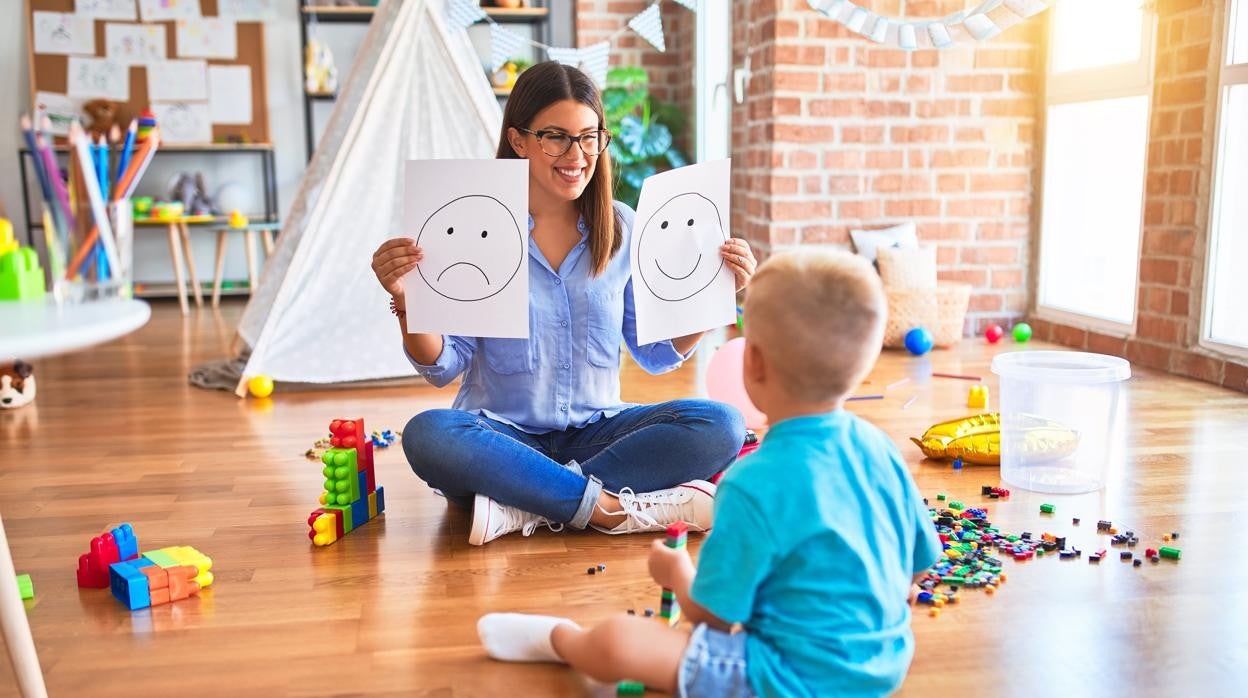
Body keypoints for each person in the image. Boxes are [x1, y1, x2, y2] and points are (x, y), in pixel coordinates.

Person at [476, 250, 942, 697]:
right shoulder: (881, 449)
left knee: (618, 641)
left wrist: (678, 573)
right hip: (886, 665)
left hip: (785, 677)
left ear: (752, 363)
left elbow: (713, 619)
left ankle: (566, 641)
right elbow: (921, 564)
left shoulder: (752, 483)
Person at [370, 62, 755, 546]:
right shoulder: (478, 225)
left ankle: (524, 504)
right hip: (501, 438)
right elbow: (444, 364)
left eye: (590, 137)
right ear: (519, 140)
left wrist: (712, 292)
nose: (577, 154)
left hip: (597, 432)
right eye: (556, 137)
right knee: (429, 433)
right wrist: (407, 301)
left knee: (721, 424)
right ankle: (606, 508)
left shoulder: (622, 228)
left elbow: (656, 354)